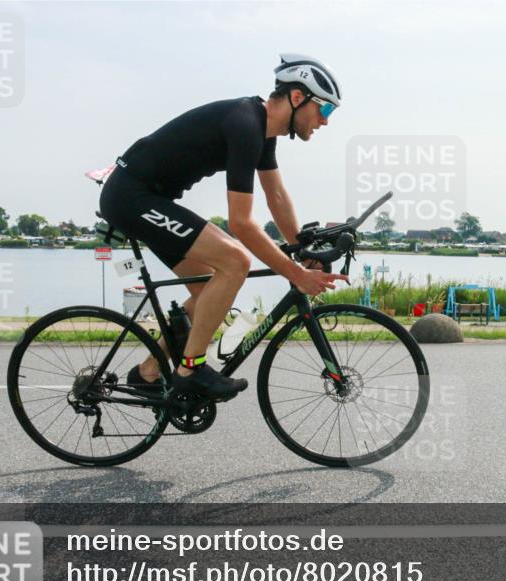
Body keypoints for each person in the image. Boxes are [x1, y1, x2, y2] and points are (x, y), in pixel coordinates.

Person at [98, 54, 347, 400]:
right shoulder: (245, 125)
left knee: (206, 290)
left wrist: (300, 249)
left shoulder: (262, 130)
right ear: (296, 97)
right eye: (325, 109)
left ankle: (148, 373)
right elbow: (241, 224)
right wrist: (295, 273)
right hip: (131, 196)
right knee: (235, 261)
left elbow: (275, 194)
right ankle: (190, 369)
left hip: (148, 198)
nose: (325, 121)